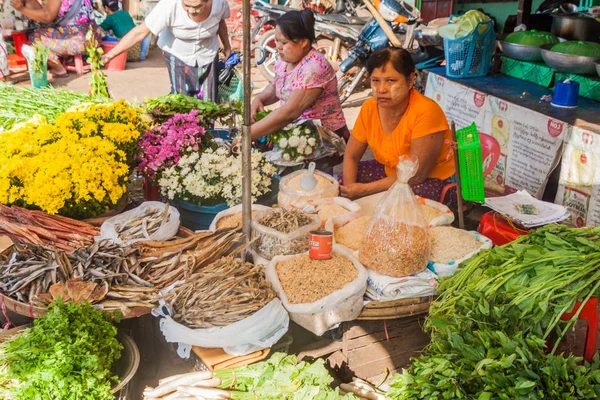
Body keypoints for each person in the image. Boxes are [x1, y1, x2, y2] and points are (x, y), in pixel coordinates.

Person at [233, 9, 348, 172]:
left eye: (284, 42)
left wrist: (247, 135)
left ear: (303, 42)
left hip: (323, 140)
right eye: (277, 41)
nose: (278, 47)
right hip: (297, 135)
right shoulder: (285, 61)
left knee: (312, 184)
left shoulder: (314, 67)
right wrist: (259, 99)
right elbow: (277, 86)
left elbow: (288, 112)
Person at [340, 47, 455, 203]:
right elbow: (351, 156)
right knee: (341, 182)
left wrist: (365, 190)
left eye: (390, 80)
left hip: (430, 180)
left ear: (410, 80)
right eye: (375, 81)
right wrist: (350, 192)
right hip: (392, 173)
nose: (381, 89)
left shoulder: (426, 111)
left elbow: (416, 175)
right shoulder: (370, 107)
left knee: (396, 202)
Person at [100, 0, 231, 100]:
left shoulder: (219, 4)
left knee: (208, 99)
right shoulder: (169, 5)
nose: (191, 11)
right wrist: (110, 55)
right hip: (177, 53)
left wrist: (227, 47)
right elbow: (140, 32)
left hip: (208, 52)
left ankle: (207, 131)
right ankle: (182, 132)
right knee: (181, 99)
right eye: (186, 6)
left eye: (197, 7)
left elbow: (221, 23)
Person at [9, 0, 101, 77]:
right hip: (94, 38)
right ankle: (67, 59)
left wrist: (21, 8)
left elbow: (47, 16)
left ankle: (58, 68)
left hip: (78, 42)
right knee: (50, 31)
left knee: (35, 37)